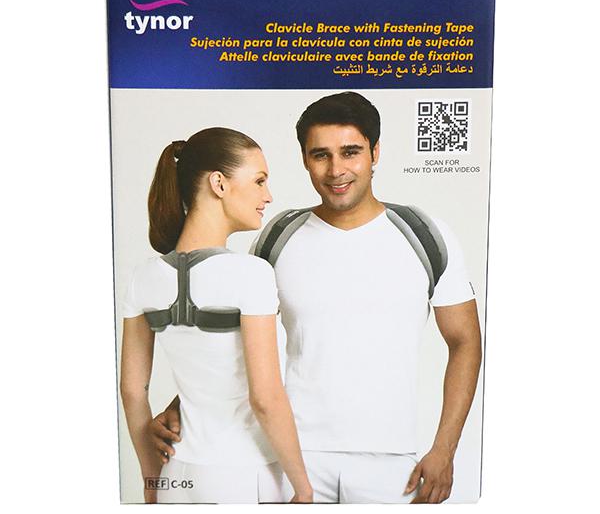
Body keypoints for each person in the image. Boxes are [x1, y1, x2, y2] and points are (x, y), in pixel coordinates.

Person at [150, 94, 482, 504]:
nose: (336, 169)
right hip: (289, 457)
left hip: (392, 461)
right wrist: (181, 405)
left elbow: (465, 341)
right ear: (305, 160)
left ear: (375, 153)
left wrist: (445, 449)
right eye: (320, 155)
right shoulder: (277, 236)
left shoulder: (425, 234)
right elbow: (234, 342)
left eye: (351, 152)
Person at [119, 127, 312, 504]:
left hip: (178, 474)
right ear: (219, 184)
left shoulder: (144, 277)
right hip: (245, 476)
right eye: (259, 181)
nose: (268, 196)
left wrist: (152, 480)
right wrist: (304, 489)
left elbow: (131, 391)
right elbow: (266, 398)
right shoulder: (250, 274)